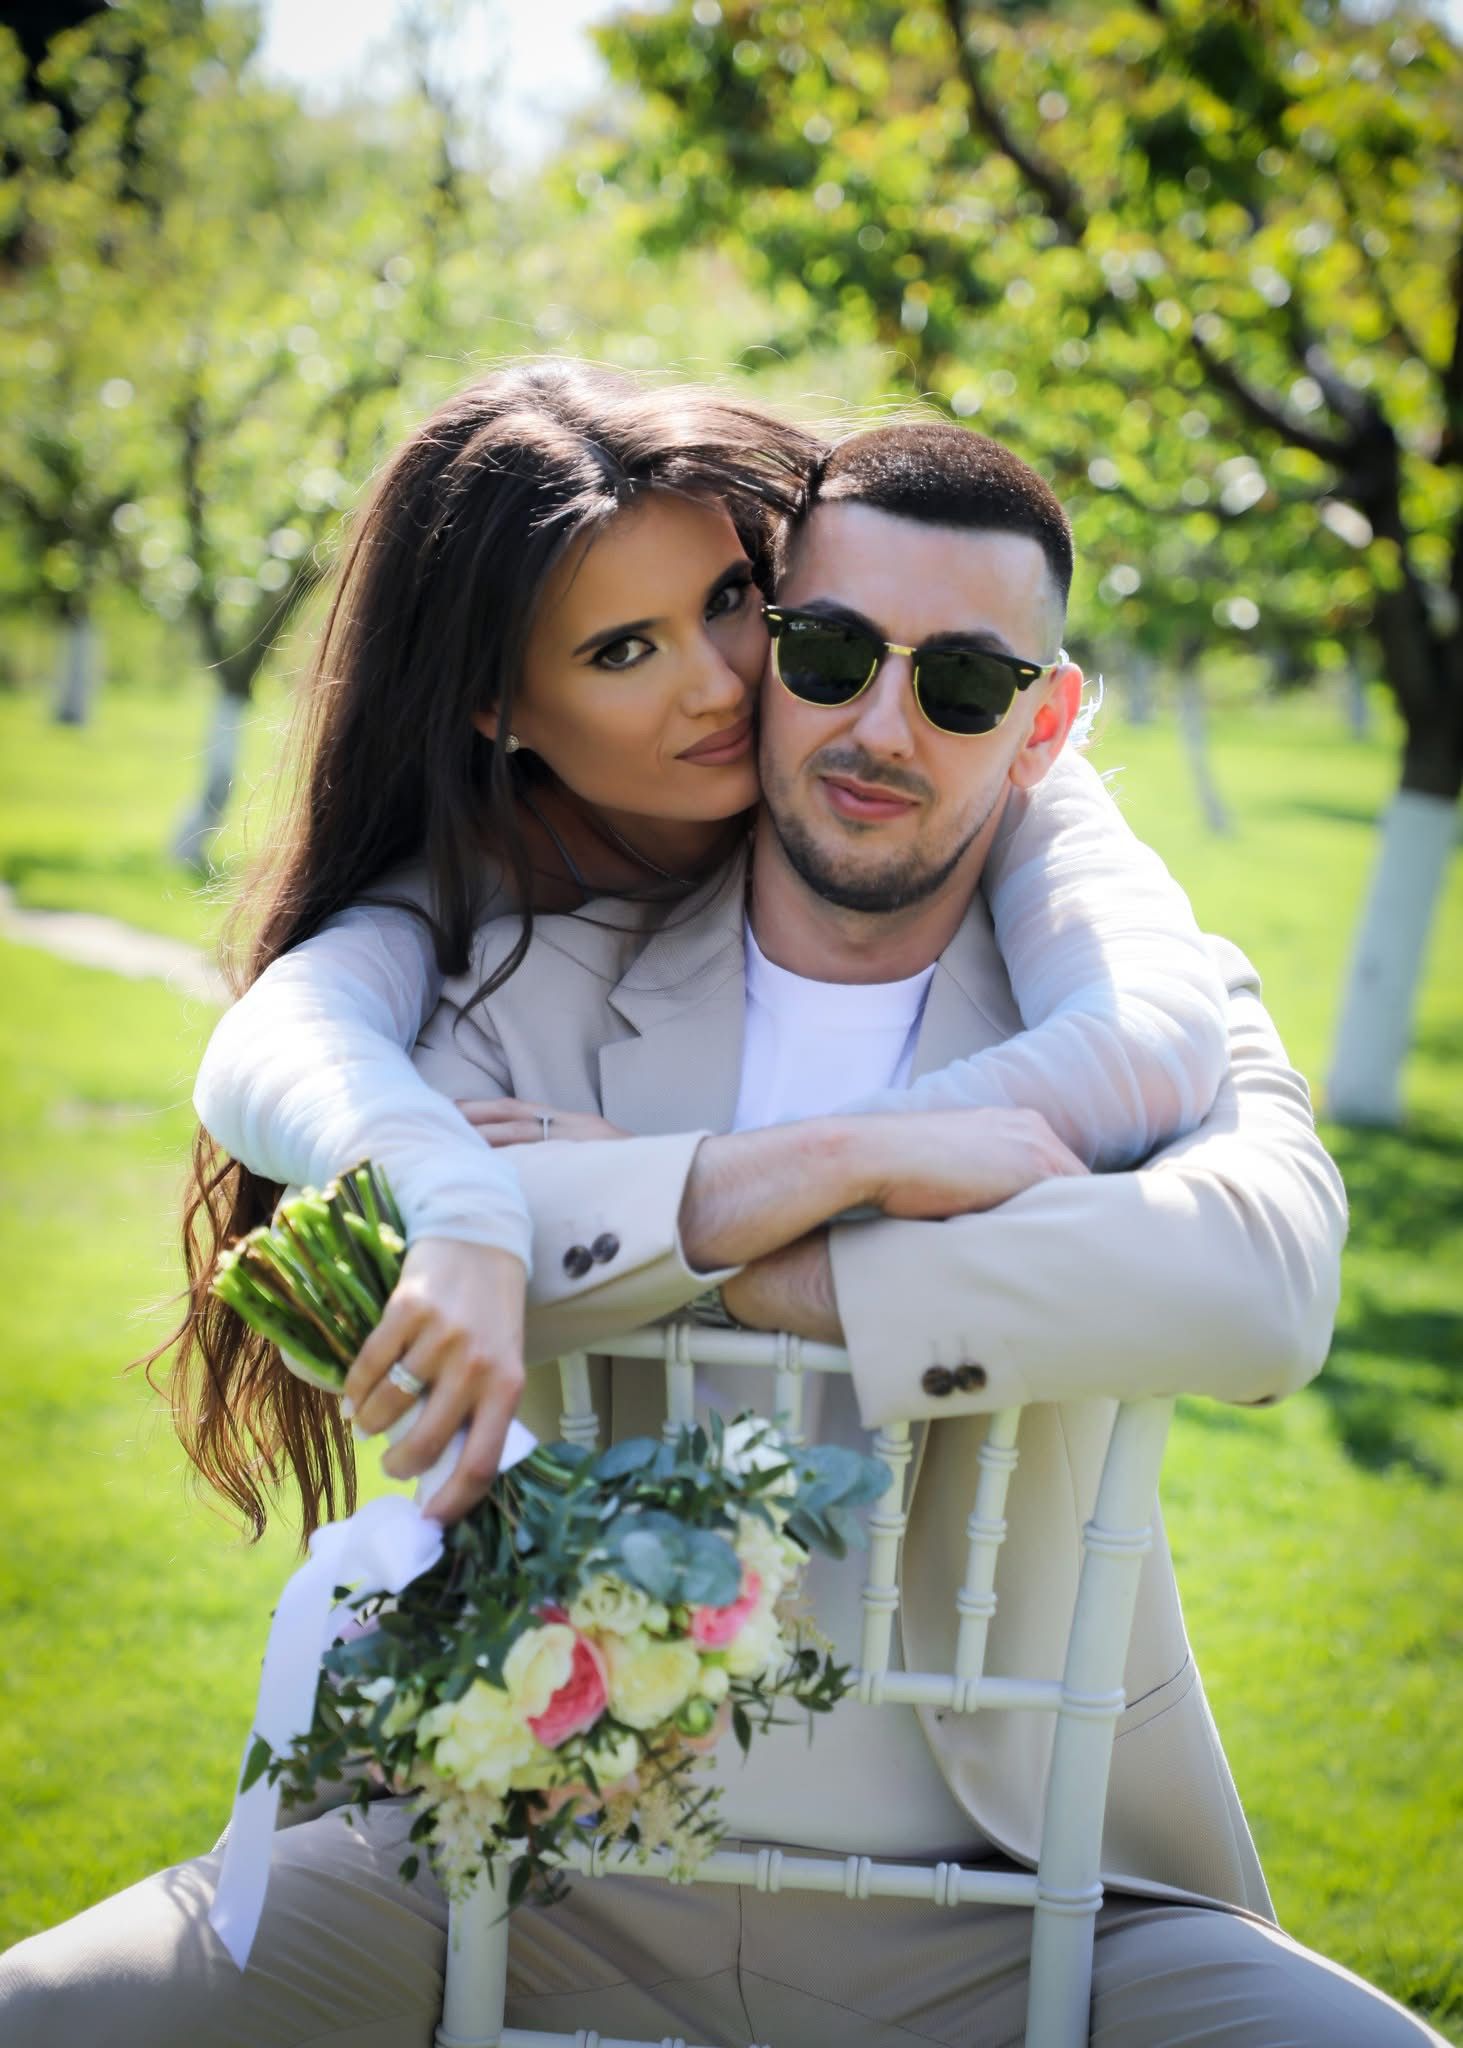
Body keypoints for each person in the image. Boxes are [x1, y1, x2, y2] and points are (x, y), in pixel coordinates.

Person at [0, 425, 1426, 2048]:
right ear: (768, 658)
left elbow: (1260, 1283)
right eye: (827, 654)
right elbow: (394, 1220)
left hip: (1021, 1896)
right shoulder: (525, 979)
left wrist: (774, 1265)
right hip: (507, 1862)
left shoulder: (1145, 991)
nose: (878, 725)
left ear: (1045, 721)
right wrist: (792, 1171)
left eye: (963, 685)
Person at [183, 358, 1228, 1537]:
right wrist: (464, 1206)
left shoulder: (984, 783)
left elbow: (1149, 1042)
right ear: (497, 708)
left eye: (730, 598)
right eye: (621, 651)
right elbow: (279, 1042)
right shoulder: (483, 879)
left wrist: (745, 1185)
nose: (723, 683)